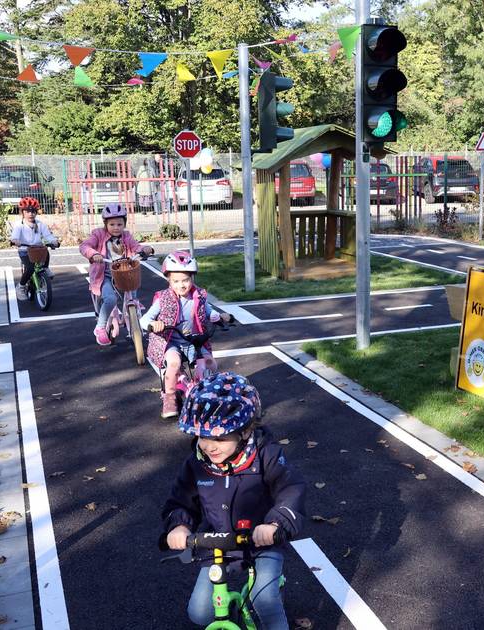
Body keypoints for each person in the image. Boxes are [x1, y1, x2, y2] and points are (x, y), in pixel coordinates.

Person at [163, 373, 306, 630]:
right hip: (218, 544)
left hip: (261, 541)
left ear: (245, 430)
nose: (208, 446)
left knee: (264, 601)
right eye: (202, 436)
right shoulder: (196, 464)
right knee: (200, 613)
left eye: (219, 438)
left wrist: (275, 524)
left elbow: (290, 489)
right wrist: (179, 526)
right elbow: (181, 501)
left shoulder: (267, 456)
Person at [140, 250, 233, 418]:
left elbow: (209, 311)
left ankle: (206, 390)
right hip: (171, 342)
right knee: (174, 363)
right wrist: (153, 324)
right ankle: (169, 397)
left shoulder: (199, 296)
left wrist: (219, 317)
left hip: (194, 341)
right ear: (168, 279)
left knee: (210, 364)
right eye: (176, 281)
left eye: (186, 280)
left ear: (192, 278)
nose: (181, 285)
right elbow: (144, 318)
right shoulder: (163, 298)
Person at [79, 203, 154, 346]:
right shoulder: (98, 234)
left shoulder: (126, 236)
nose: (116, 227)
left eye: (119, 224)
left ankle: (133, 317)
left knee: (132, 292)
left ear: (124, 223)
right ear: (105, 224)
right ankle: (100, 327)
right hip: (104, 275)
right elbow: (84, 246)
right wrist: (93, 254)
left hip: (124, 272)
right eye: (112, 224)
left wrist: (144, 249)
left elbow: (135, 246)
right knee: (110, 299)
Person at [8, 197, 57, 301]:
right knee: (30, 268)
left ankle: (45, 268)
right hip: (24, 250)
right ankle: (20, 287)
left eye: (33, 211)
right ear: (22, 212)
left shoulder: (40, 224)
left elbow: (48, 235)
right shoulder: (19, 225)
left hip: (37, 249)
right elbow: (15, 236)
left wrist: (53, 241)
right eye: (27, 211)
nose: (31, 214)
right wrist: (15, 241)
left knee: (45, 251)